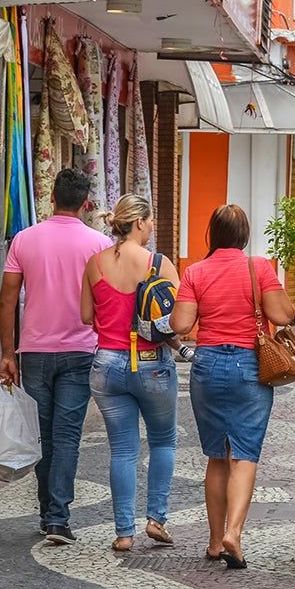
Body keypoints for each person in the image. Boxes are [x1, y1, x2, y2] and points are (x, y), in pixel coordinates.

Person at [170, 204, 295, 569]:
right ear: (244, 235)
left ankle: (213, 542)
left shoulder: (194, 271)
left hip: (207, 365)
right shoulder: (259, 268)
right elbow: (281, 315)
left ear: (213, 233)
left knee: (216, 455)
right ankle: (234, 535)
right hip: (249, 366)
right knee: (244, 454)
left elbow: (180, 323)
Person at [0, 168, 111, 545]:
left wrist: (7, 352)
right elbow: (108, 299)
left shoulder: (25, 240)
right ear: (85, 203)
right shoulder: (98, 244)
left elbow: (7, 299)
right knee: (66, 437)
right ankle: (58, 519)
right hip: (81, 349)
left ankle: (50, 515)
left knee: (42, 436)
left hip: (34, 352)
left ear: (51, 199)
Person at [79, 195, 179, 553]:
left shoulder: (95, 263)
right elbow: (177, 321)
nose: (152, 227)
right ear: (139, 222)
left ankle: (123, 533)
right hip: (151, 362)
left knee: (122, 450)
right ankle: (156, 519)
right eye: (151, 221)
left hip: (106, 364)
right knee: (163, 441)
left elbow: (86, 316)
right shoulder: (159, 264)